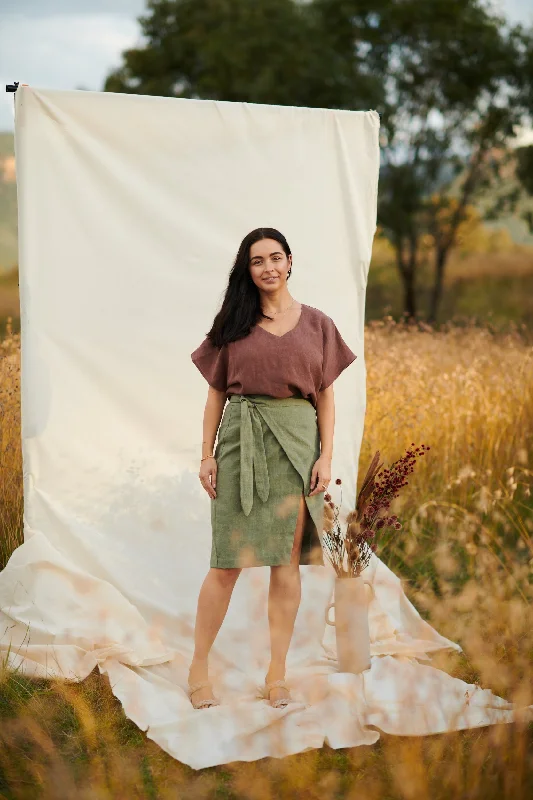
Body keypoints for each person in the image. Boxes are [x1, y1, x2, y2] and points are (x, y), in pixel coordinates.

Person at [189, 227, 357, 709]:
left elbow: (324, 394)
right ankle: (198, 666)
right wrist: (207, 454)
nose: (267, 267)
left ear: (290, 262)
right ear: (247, 269)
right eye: (257, 260)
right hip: (243, 445)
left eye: (275, 257)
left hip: (298, 447)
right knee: (226, 564)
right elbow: (216, 394)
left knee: (286, 564)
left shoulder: (318, 324)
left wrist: (325, 456)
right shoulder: (233, 323)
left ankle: (277, 672)